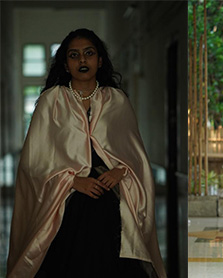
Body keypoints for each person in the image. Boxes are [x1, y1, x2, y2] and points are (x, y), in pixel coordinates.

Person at [7, 28, 166, 278]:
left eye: (89, 53)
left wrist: (120, 171)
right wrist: (72, 181)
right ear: (65, 64)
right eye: (74, 55)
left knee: (107, 225)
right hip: (64, 196)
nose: (82, 60)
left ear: (100, 61)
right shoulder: (51, 101)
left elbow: (135, 156)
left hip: (110, 189)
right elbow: (33, 163)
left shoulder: (117, 100)